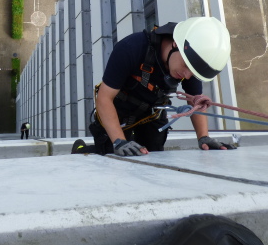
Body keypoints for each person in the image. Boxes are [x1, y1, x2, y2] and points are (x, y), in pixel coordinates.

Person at [72, 17, 234, 156]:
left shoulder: (188, 63)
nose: (187, 76)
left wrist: (203, 137)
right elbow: (104, 98)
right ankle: (80, 149)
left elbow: (196, 102)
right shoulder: (131, 48)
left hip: (151, 114)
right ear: (176, 44)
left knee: (154, 153)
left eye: (193, 73)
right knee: (111, 155)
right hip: (118, 111)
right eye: (187, 68)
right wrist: (120, 141)